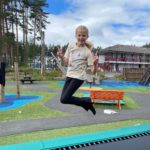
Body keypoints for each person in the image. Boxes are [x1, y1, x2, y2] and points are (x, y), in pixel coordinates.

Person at [57, 25, 98, 115]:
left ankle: (86, 102)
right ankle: (86, 102)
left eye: (83, 35)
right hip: (69, 74)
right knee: (63, 100)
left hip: (79, 77)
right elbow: (67, 61)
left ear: (87, 37)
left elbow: (93, 72)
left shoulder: (87, 52)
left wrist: (95, 64)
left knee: (65, 98)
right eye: (79, 35)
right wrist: (61, 56)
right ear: (76, 36)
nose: (81, 37)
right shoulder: (71, 45)